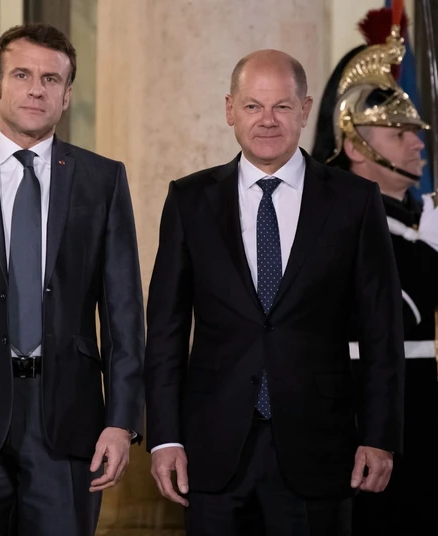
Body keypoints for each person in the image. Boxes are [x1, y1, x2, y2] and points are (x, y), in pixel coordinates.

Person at [144, 49, 405, 535]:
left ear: (305, 111)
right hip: (212, 451)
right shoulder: (190, 200)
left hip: (321, 450)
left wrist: (379, 435)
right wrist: (164, 438)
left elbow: (381, 332)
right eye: (252, 106)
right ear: (230, 110)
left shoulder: (354, 201)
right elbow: (165, 332)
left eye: (282, 106)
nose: (267, 120)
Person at [0, 23, 144, 536]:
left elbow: (124, 313)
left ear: (67, 95)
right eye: (21, 75)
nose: (36, 89)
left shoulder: (102, 180)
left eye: (50, 79)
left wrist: (121, 421)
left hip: (68, 422)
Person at [312, 8, 438, 535]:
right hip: (360, 412)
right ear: (354, 145)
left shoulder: (426, 219)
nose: (418, 143)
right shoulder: (330, 224)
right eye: (399, 133)